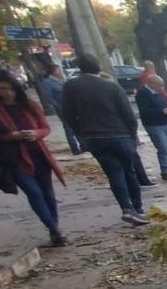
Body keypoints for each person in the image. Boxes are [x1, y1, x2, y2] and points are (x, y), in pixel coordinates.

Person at [0, 69, 69, 246]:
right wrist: (11, 136)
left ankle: (54, 226)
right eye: (3, 89)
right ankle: (53, 228)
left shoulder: (29, 105)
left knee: (47, 193)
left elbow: (45, 127)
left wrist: (36, 133)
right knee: (33, 192)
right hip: (13, 157)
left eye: (11, 89)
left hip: (38, 153)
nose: (8, 93)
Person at [61, 54, 149, 226]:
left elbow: (68, 114)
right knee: (129, 170)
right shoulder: (111, 86)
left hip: (94, 137)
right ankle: (137, 208)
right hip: (119, 134)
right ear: (98, 66)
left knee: (114, 173)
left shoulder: (71, 86)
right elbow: (127, 113)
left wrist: (81, 133)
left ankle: (126, 208)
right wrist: (133, 134)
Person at [135, 75, 167, 181]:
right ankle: (165, 171)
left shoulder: (157, 92)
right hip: (154, 125)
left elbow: (163, 102)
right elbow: (145, 111)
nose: (161, 88)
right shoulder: (143, 94)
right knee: (163, 148)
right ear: (151, 84)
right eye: (159, 85)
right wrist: (162, 111)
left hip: (165, 122)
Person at [38, 65, 82, 155]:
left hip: (70, 107)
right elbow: (47, 97)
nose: (61, 72)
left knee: (75, 126)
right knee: (68, 128)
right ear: (53, 72)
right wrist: (54, 107)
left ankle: (83, 145)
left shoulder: (60, 81)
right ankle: (74, 148)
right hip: (62, 108)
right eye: (58, 70)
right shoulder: (47, 83)